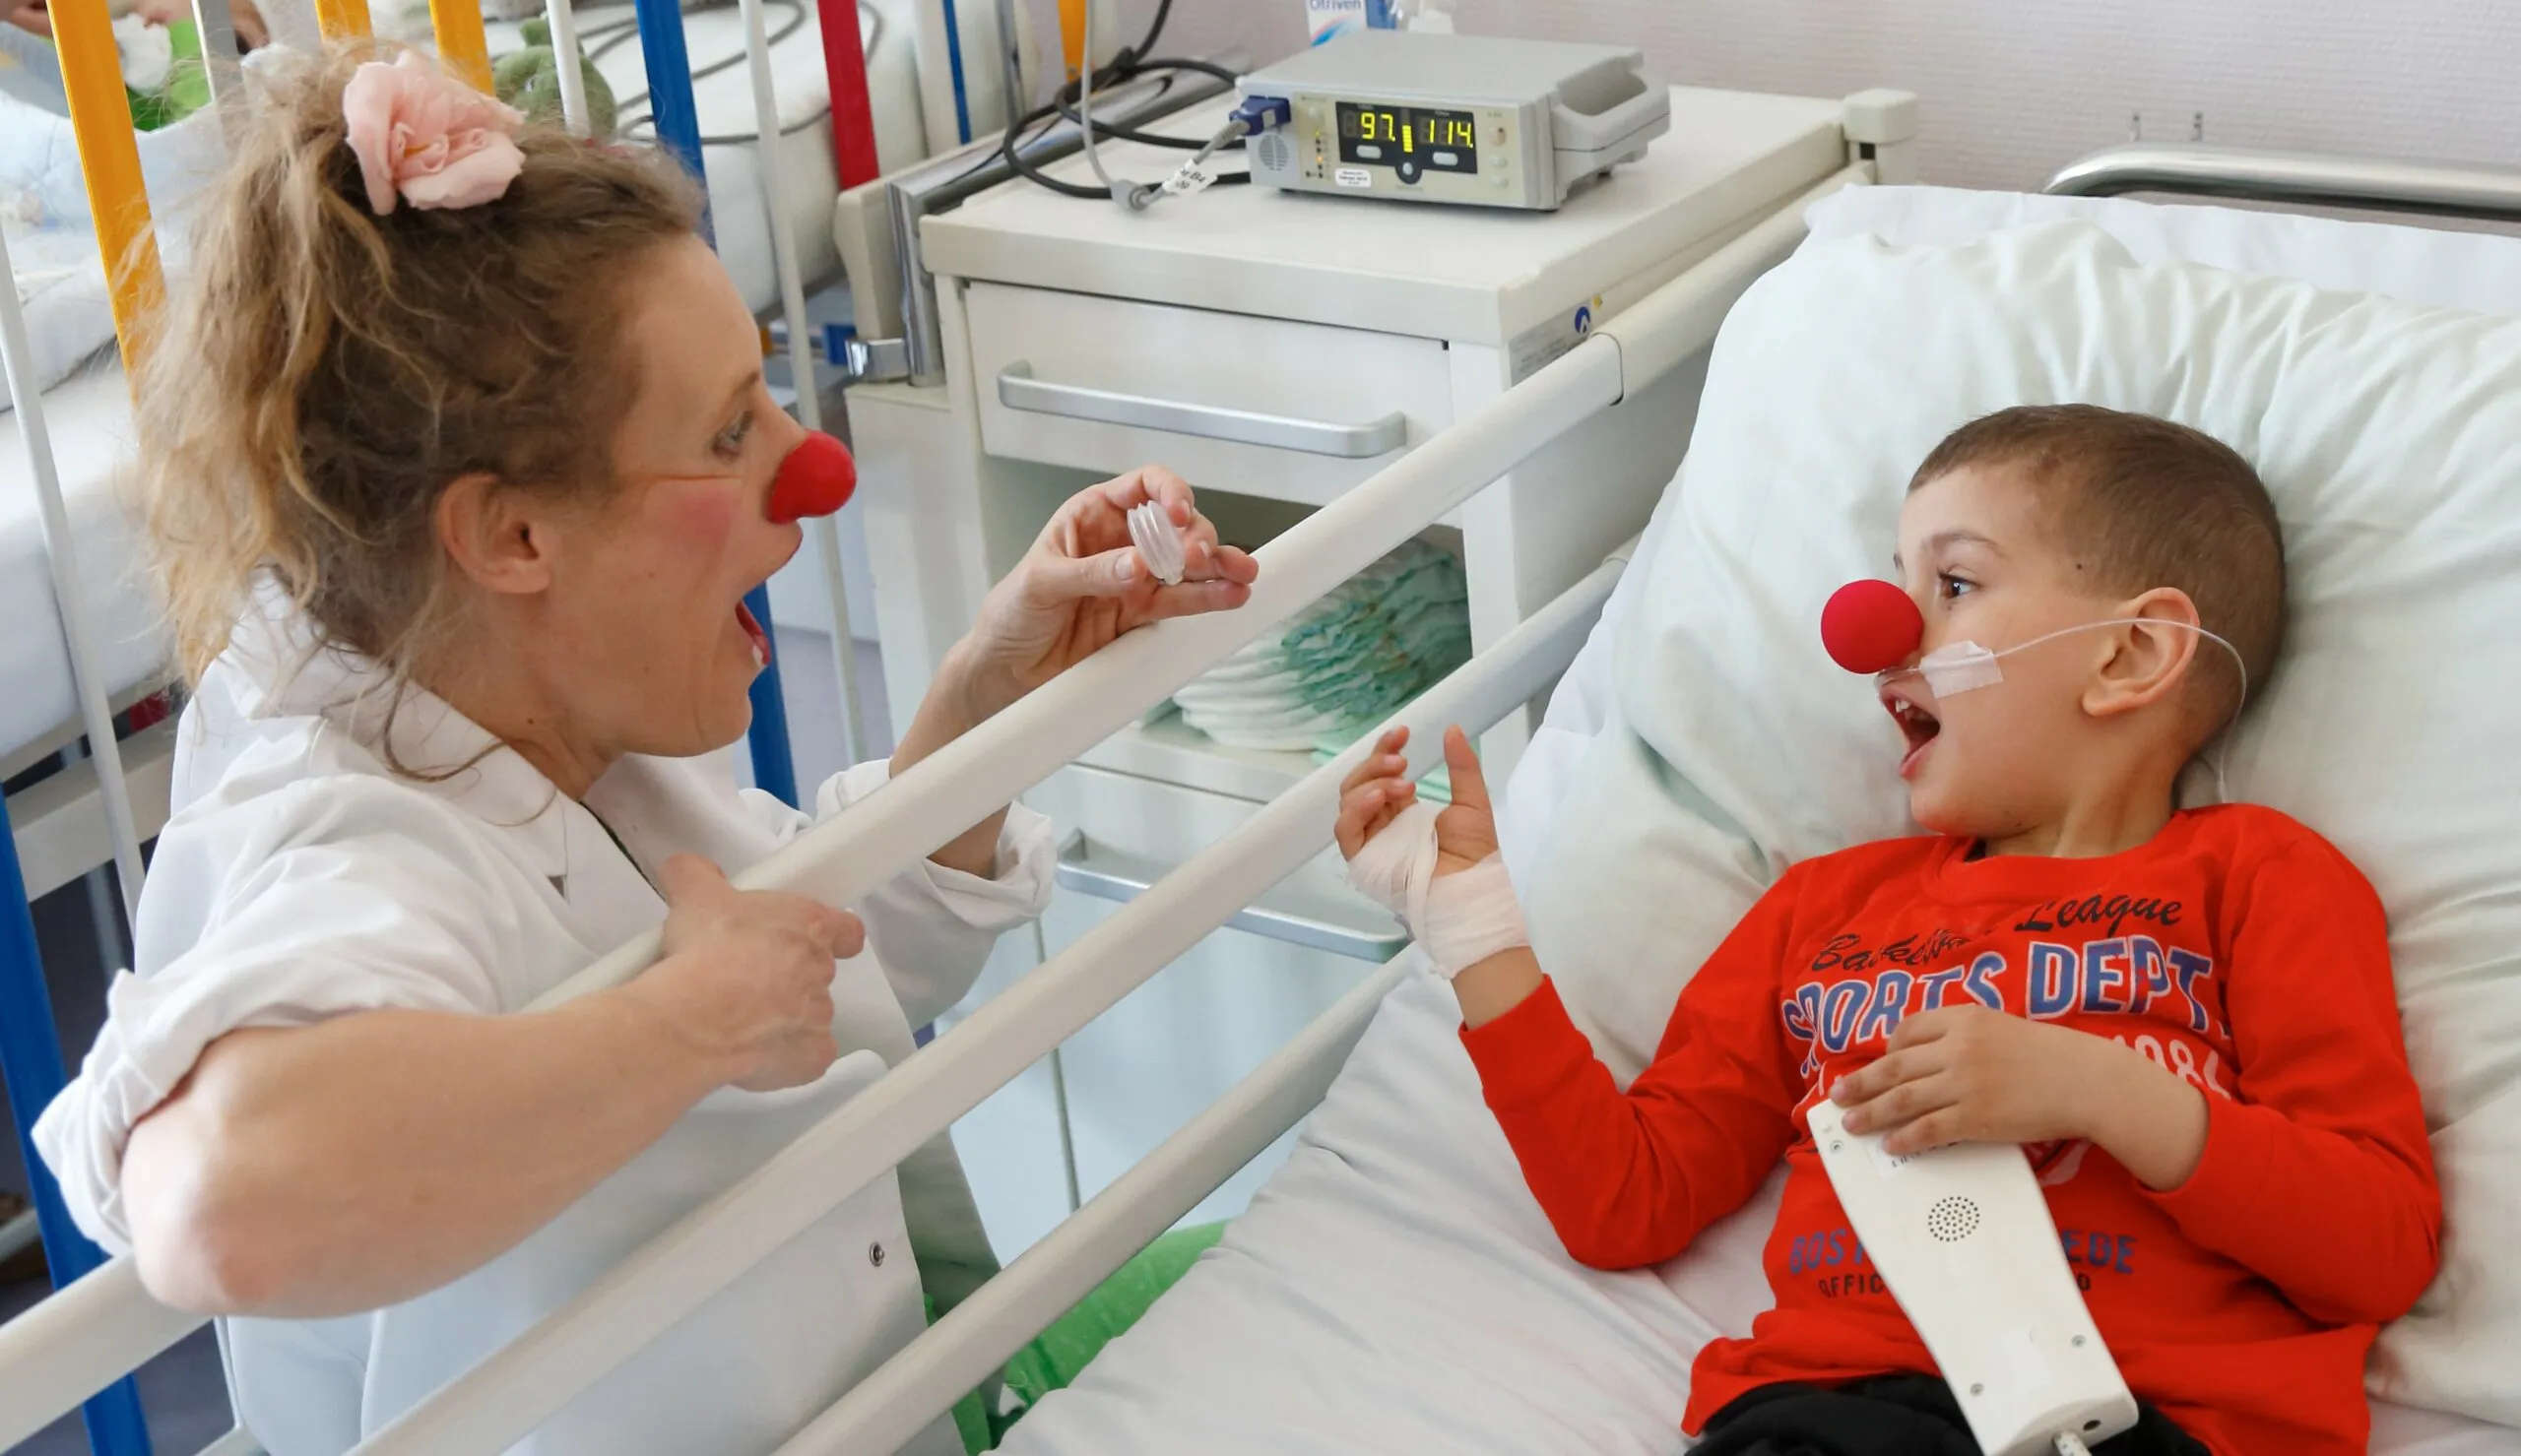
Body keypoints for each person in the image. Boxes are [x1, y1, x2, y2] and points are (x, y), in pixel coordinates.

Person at [32, 43, 1255, 1456]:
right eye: (733, 428)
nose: (814, 471)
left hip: (896, 1378)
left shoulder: (574, 733)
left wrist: (989, 686)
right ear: (513, 537)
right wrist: (690, 1021)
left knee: (1303, 1266)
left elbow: (818, 969)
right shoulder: (355, 843)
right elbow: (221, 1201)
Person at [1336, 406, 2440, 1456]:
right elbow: (1625, 1204)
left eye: (1954, 582)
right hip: (1826, 1409)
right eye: (1898, 579)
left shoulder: (2259, 878)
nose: (1880, 633)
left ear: (2130, 654)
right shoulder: (1821, 910)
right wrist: (1474, 927)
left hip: (2145, 1415)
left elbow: (2377, 1252)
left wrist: (2100, 1091)